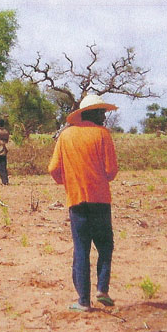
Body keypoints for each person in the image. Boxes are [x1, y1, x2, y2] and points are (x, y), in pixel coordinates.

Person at [47, 94, 119, 312]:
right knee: (105, 245)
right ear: (93, 113)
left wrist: (69, 182)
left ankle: (83, 301)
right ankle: (102, 289)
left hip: (76, 199)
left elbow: (53, 169)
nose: (104, 117)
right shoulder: (102, 135)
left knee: (81, 249)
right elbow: (111, 171)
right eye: (101, 112)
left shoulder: (66, 136)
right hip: (100, 199)